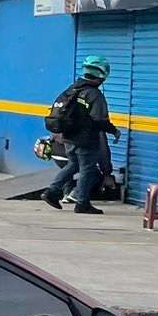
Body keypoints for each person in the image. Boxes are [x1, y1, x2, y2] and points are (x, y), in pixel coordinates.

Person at [44, 55, 121, 214]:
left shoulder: (73, 89)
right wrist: (114, 130)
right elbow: (100, 120)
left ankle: (51, 191)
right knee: (88, 169)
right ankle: (82, 203)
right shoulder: (94, 94)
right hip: (86, 139)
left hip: (69, 137)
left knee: (73, 164)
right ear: (102, 75)